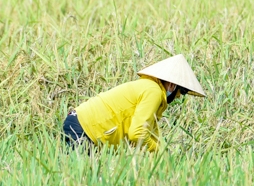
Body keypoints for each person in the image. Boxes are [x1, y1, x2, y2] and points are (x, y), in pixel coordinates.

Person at [62, 54, 206, 152]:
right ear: (171, 85)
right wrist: (158, 152)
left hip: (80, 123)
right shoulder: (153, 92)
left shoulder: (150, 89)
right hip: (82, 128)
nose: (180, 96)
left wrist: (163, 155)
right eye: (182, 91)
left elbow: (151, 133)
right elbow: (137, 134)